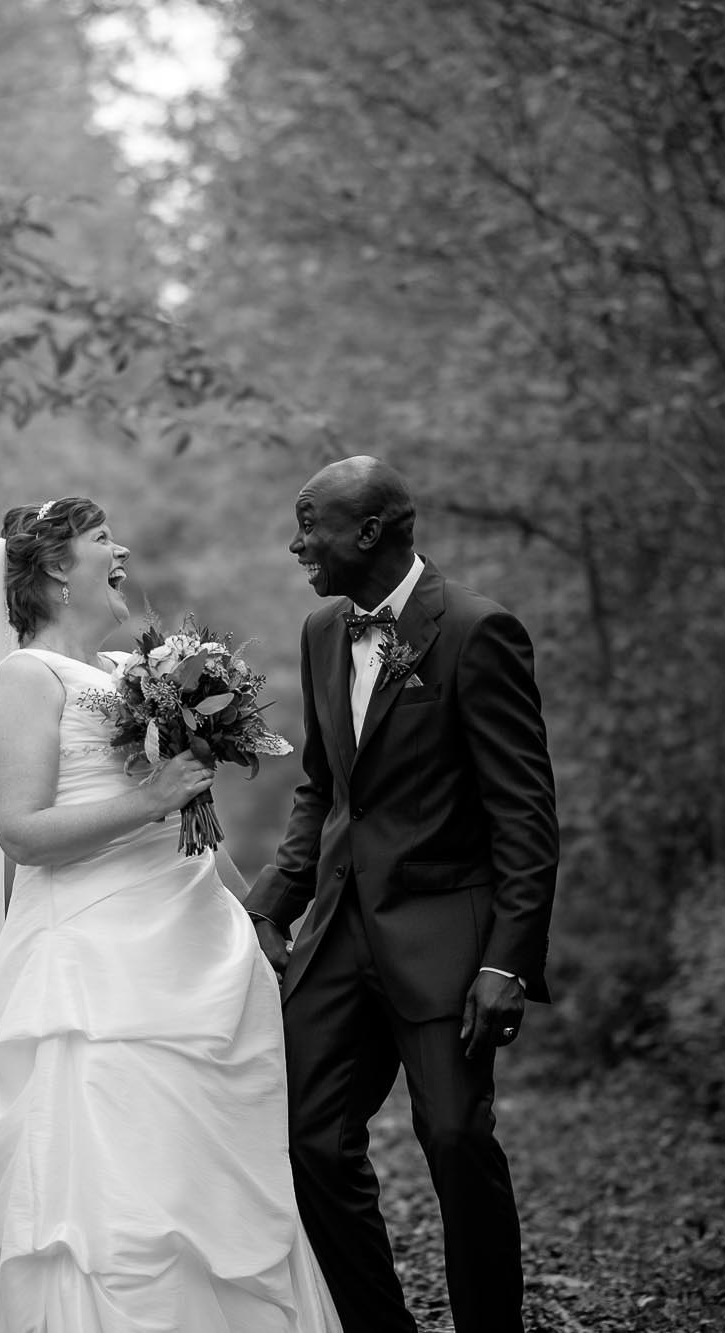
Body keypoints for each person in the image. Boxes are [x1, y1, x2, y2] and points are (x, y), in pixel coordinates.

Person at [0, 498, 340, 1332]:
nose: (121, 548)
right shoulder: (24, 679)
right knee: (100, 1193)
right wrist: (152, 796)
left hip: (188, 957)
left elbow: (185, 831)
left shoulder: (120, 673)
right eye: (102, 539)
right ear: (59, 568)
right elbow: (21, 832)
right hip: (94, 976)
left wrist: (259, 920)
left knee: (189, 1172)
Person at [246, 457, 559, 1333]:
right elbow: (324, 786)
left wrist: (508, 956)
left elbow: (525, 814)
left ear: (372, 531)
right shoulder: (319, 632)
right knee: (310, 1143)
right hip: (338, 937)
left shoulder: (477, 631)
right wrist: (273, 899)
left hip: (447, 945)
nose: (298, 541)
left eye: (312, 523)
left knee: (457, 1143)